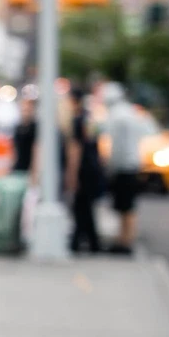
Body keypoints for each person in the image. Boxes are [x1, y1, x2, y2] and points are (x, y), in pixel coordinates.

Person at [103, 82, 143, 254]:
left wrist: (110, 166)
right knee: (125, 206)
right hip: (131, 164)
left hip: (124, 166)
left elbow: (116, 146)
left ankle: (126, 241)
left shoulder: (117, 116)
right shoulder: (130, 112)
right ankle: (124, 238)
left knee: (126, 206)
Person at [64, 87, 104, 254]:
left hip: (83, 170)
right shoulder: (89, 118)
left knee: (81, 207)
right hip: (93, 168)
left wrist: (71, 175)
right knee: (86, 207)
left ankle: (81, 242)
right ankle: (90, 241)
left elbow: (76, 150)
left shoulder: (77, 120)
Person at [12, 96, 38, 174]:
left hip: (29, 169)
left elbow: (36, 151)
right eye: (23, 109)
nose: (25, 112)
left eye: (27, 110)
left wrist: (34, 172)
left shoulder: (34, 127)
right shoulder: (18, 127)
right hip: (19, 168)